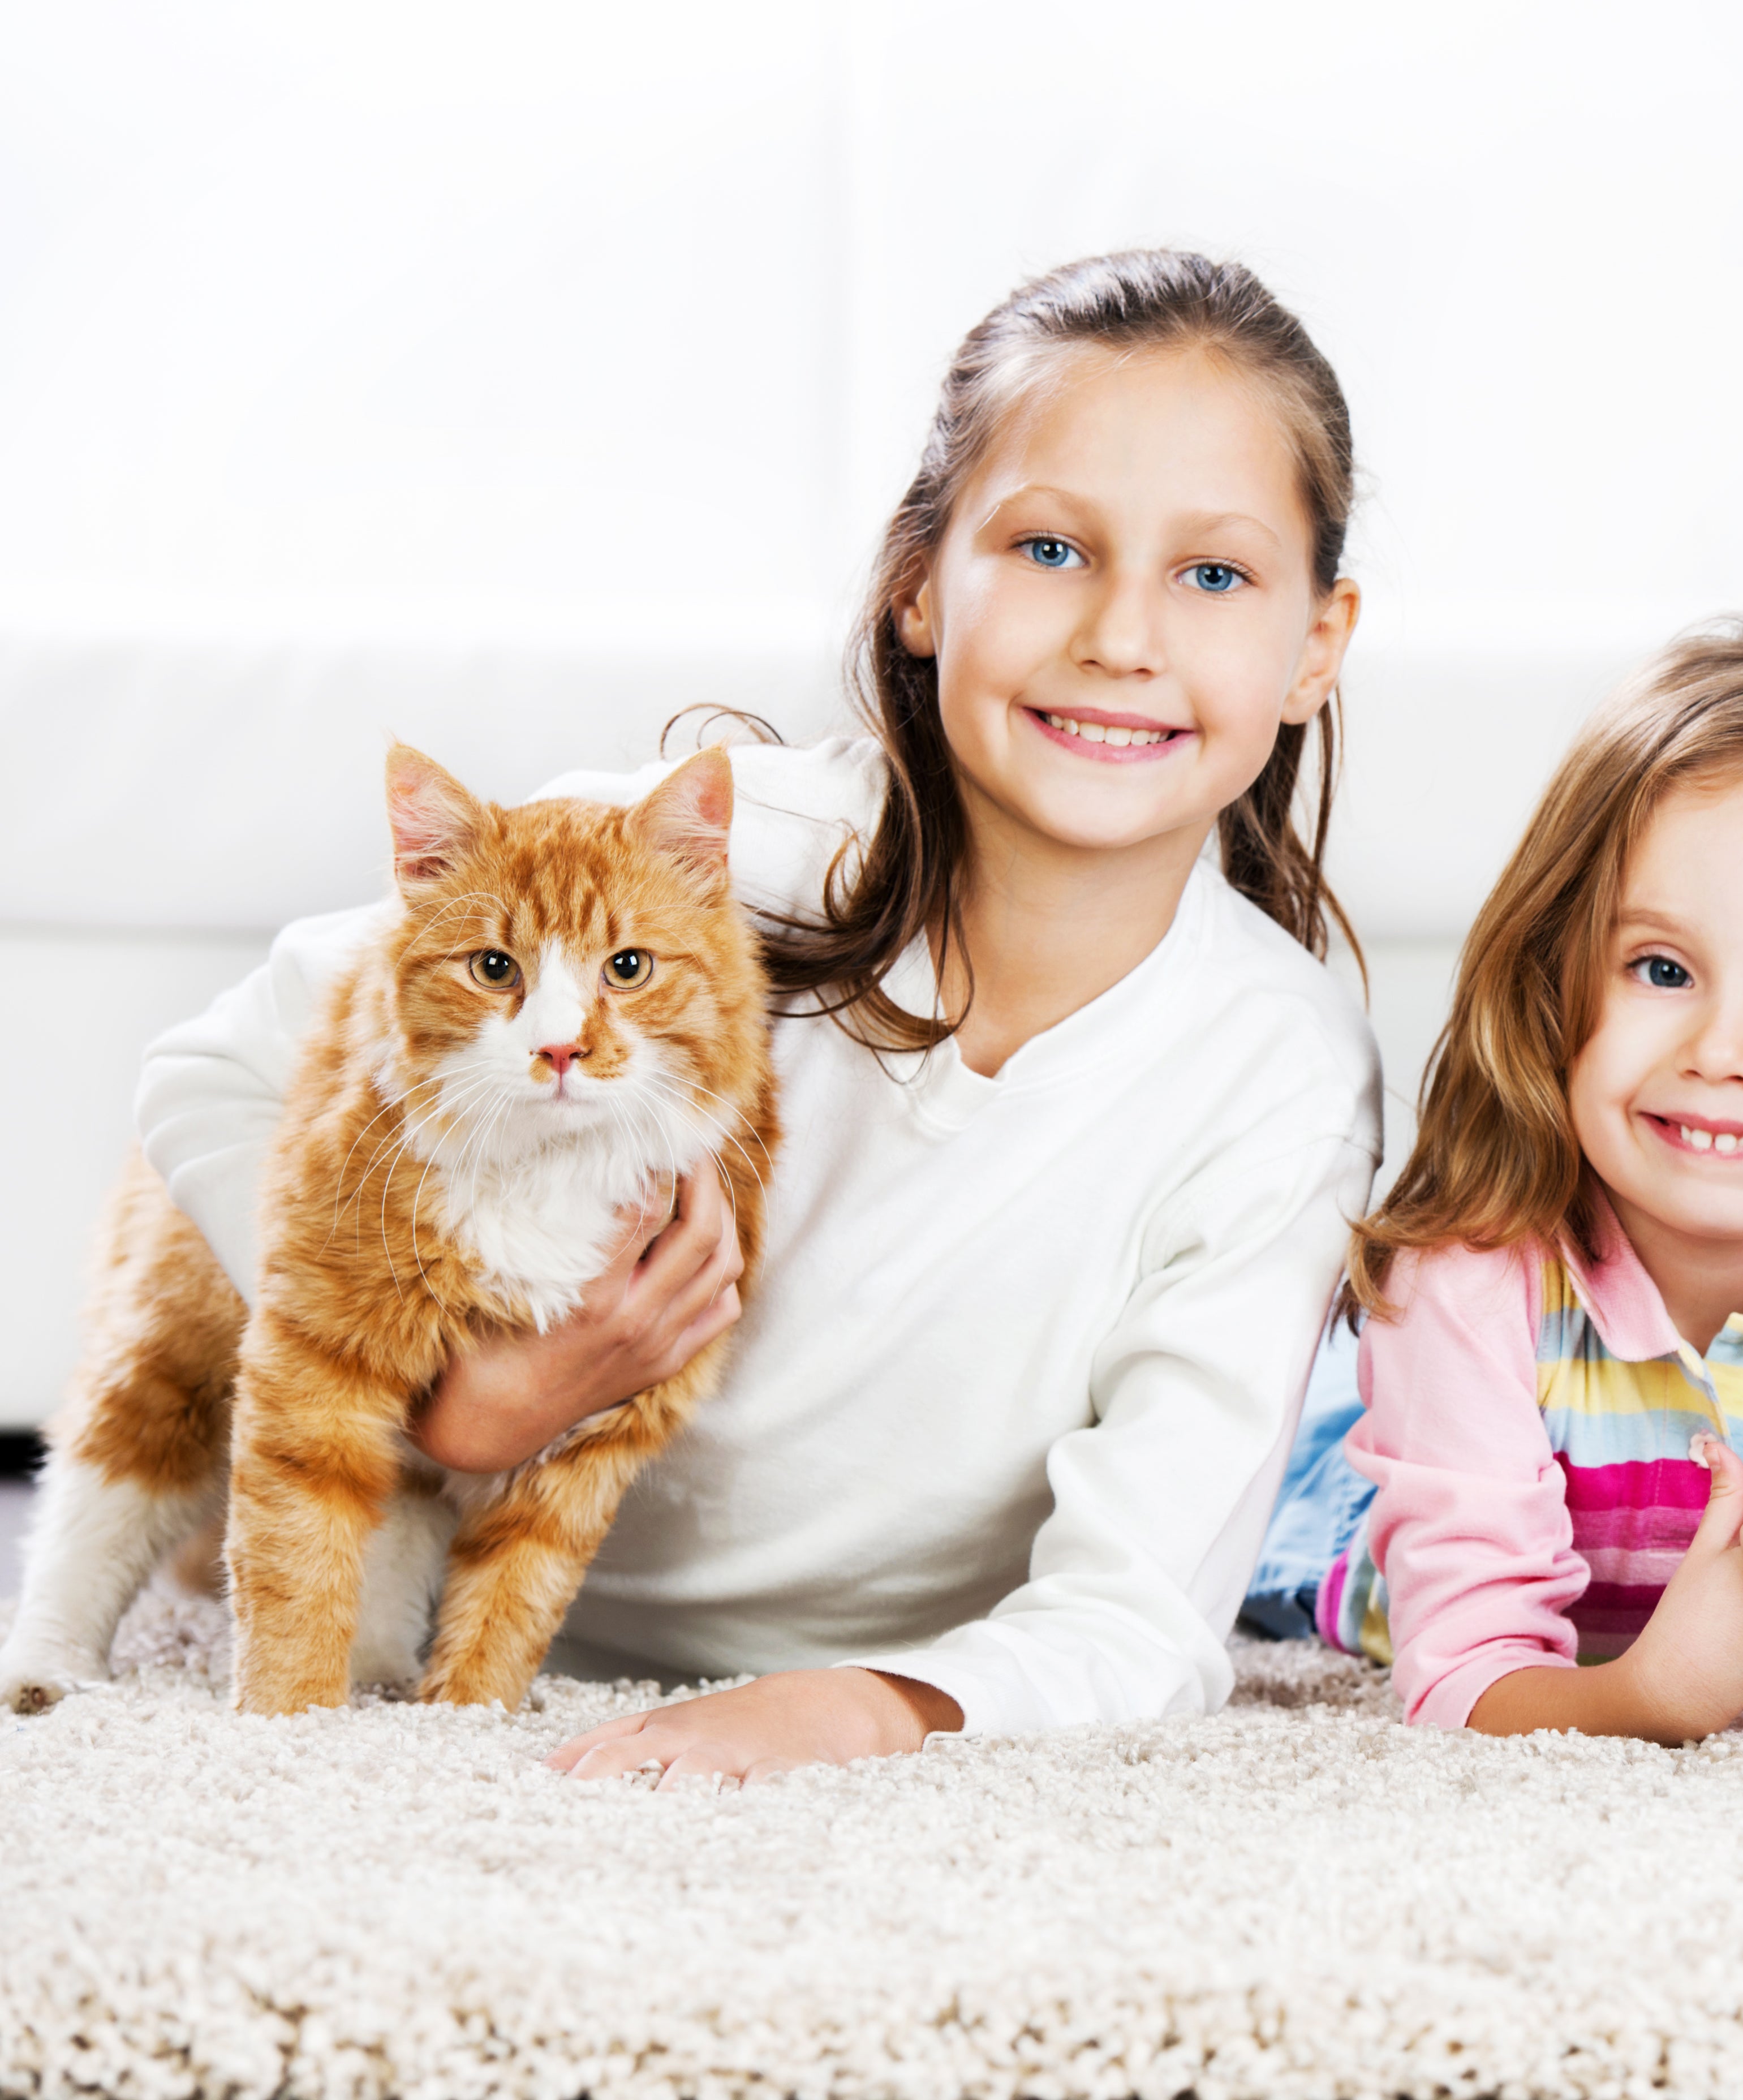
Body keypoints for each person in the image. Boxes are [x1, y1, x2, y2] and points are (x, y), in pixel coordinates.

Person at [132, 251, 1379, 1784]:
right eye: (1050, 547)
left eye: (1213, 575)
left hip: (895, 1662)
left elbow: (1141, 1621)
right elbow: (208, 1075)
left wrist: (862, 1707)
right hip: (498, 1623)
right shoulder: (681, 876)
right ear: (921, 585)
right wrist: (455, 1410)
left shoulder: (1276, 1072)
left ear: (1315, 646)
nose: (1122, 635)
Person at [1249, 626, 1743, 1744]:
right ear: (1554, 986)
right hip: (1379, 1506)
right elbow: (1466, 1674)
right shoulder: (1468, 1278)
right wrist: (1654, 1695)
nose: (1727, 1051)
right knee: (1274, 1510)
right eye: (1662, 969)